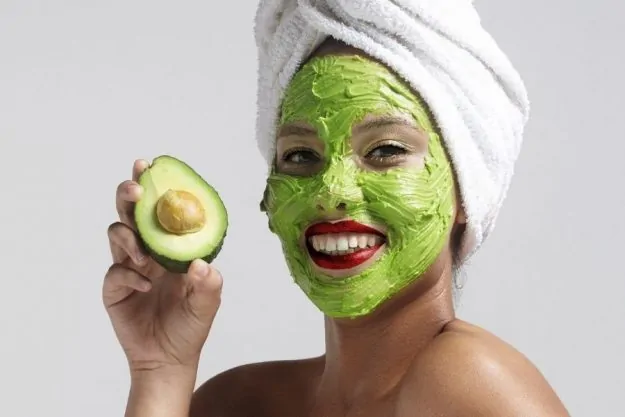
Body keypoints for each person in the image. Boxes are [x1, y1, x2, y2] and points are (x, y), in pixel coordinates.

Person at [103, 2, 571, 416]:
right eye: (301, 156)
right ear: (270, 198)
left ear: (465, 191)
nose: (331, 191)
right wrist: (160, 369)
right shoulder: (238, 402)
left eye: (385, 150)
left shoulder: (468, 381)